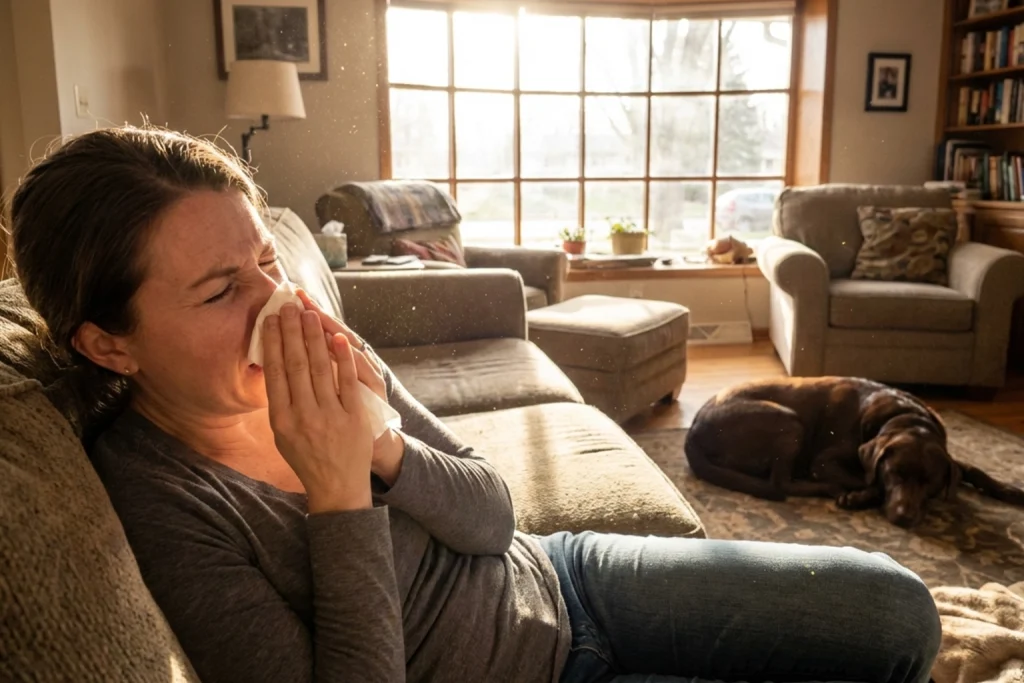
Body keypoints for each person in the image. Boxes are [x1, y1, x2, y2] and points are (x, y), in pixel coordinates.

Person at [8, 127, 942, 683]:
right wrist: (337, 495)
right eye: (220, 291)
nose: (277, 304)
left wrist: (382, 450)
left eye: (265, 261)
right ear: (107, 342)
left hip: (567, 579)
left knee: (900, 615)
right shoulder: (162, 503)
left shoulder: (340, 354)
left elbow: (494, 515)